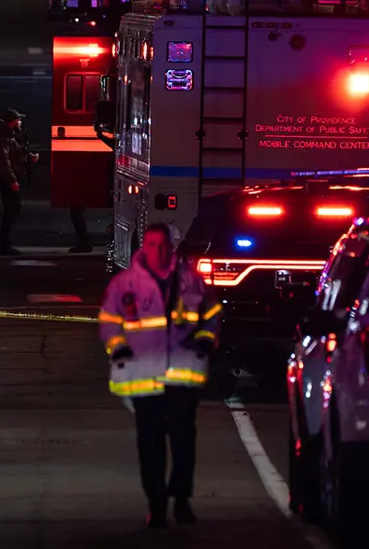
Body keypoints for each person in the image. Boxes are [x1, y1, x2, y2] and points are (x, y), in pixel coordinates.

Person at [97, 223, 222, 528]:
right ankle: (156, 503)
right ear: (144, 247)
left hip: (182, 374)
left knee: (183, 442)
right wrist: (118, 349)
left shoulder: (192, 281)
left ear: (172, 247)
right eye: (152, 245)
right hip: (143, 376)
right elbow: (109, 322)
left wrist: (206, 338)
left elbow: (213, 312)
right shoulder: (125, 284)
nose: (159, 251)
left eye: (164, 245)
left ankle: (181, 500)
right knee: (150, 444)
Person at [0, 108, 39, 255]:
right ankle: (4, 244)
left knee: (12, 209)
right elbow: (3, 161)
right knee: (12, 209)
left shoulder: (7, 136)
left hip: (8, 178)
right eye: (19, 120)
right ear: (13, 121)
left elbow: (17, 152)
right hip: (6, 179)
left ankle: (3, 242)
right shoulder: (2, 137)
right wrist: (12, 179)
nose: (21, 123)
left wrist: (29, 157)